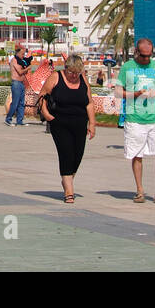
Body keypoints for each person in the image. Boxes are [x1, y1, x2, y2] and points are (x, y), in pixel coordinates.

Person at [114, 39, 155, 204]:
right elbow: (118, 91)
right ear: (137, 52)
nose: (147, 59)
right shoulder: (127, 68)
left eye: (149, 56)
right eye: (144, 56)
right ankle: (140, 191)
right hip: (135, 119)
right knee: (137, 155)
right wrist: (135, 95)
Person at [37, 52, 96, 203]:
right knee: (66, 153)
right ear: (65, 68)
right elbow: (42, 95)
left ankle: (67, 180)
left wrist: (92, 123)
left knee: (78, 155)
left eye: (77, 73)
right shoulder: (56, 77)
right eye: (71, 72)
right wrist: (46, 113)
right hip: (59, 122)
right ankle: (69, 190)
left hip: (80, 122)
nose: (74, 76)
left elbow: (89, 102)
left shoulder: (83, 80)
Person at [5, 44, 30, 127]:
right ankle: (8, 119)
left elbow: (23, 72)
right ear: (18, 53)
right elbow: (20, 72)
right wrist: (28, 68)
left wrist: (25, 69)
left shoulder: (20, 61)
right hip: (16, 83)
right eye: (22, 54)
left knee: (21, 103)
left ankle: (20, 120)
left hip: (21, 83)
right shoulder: (14, 60)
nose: (23, 56)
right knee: (15, 103)